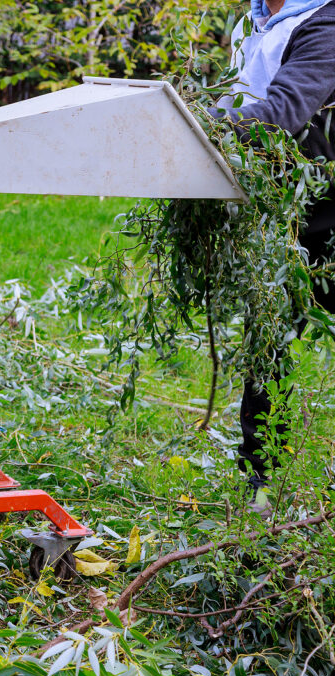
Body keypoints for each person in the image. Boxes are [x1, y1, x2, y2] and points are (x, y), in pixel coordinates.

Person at [210, 0, 335, 499]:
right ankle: (261, 486)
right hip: (278, 211)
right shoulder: (254, 20)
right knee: (267, 348)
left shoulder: (324, 22)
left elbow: (281, 113)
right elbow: (234, 100)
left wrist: (198, 131)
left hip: (327, 213)